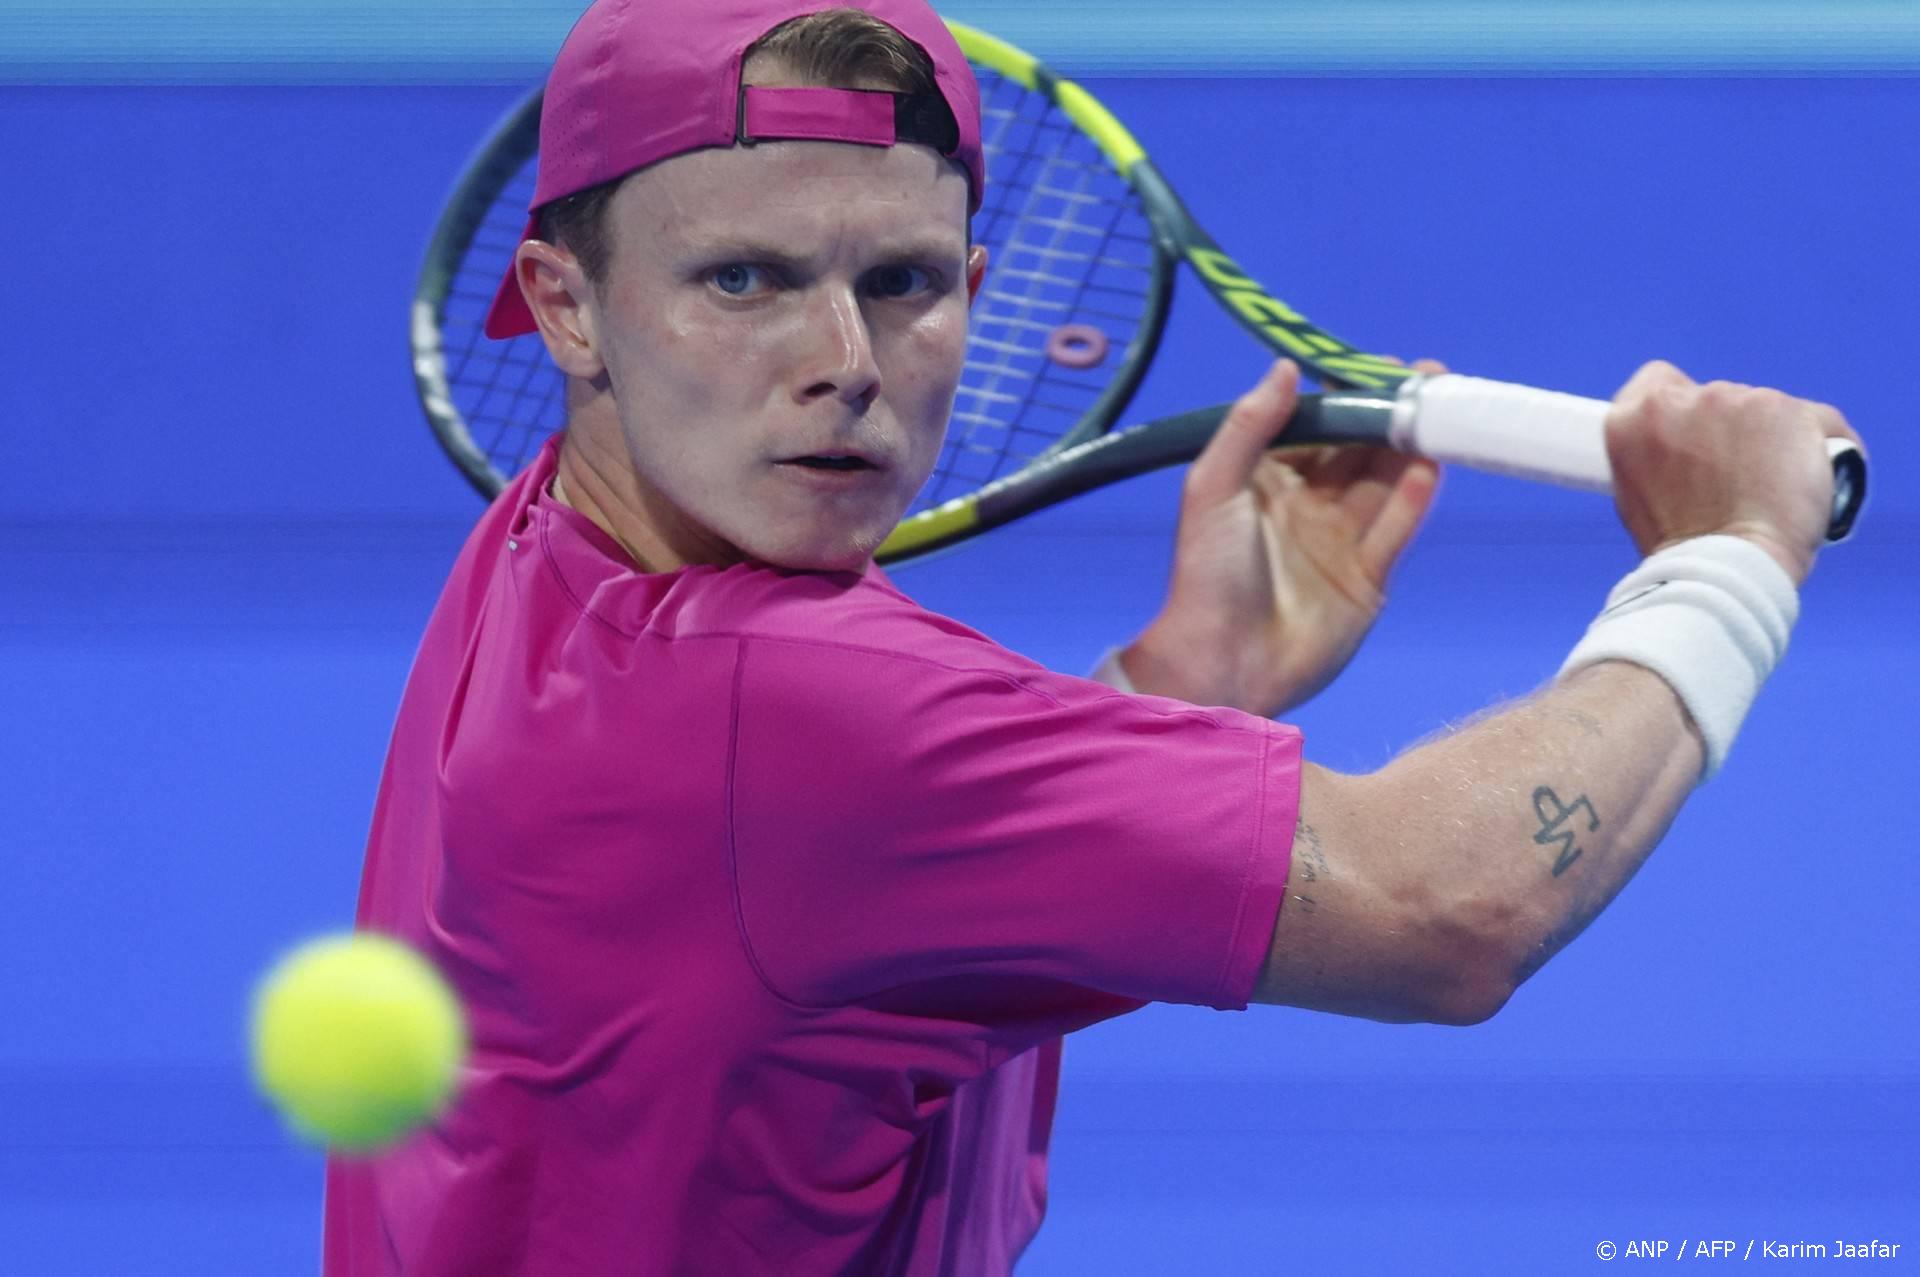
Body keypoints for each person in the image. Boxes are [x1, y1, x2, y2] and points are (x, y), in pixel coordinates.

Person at [324, 0, 1863, 1272]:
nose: (844, 363)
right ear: (566, 306)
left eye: (906, 283)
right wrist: (1733, 550)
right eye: (746, 280)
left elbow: (837, 882)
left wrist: (1182, 688)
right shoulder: (787, 705)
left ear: (975, 289)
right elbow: (1449, 908)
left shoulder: (552, 544)